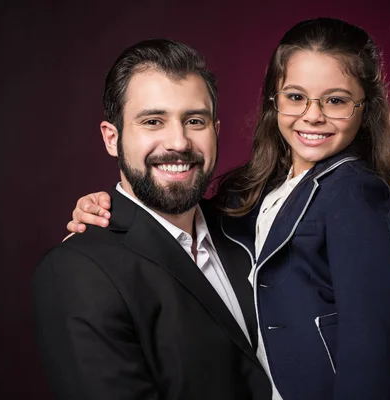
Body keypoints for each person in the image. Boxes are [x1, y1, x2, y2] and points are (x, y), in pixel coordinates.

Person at [66, 18, 390, 400]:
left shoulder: (356, 192)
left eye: (336, 100)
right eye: (296, 97)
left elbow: (371, 339)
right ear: (274, 101)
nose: (313, 115)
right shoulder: (258, 190)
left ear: (364, 107)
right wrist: (108, 206)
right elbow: (179, 217)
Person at [33, 39, 273, 399]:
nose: (178, 142)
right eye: (152, 121)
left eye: (194, 120)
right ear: (112, 139)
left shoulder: (251, 228)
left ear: (216, 132)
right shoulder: (77, 270)